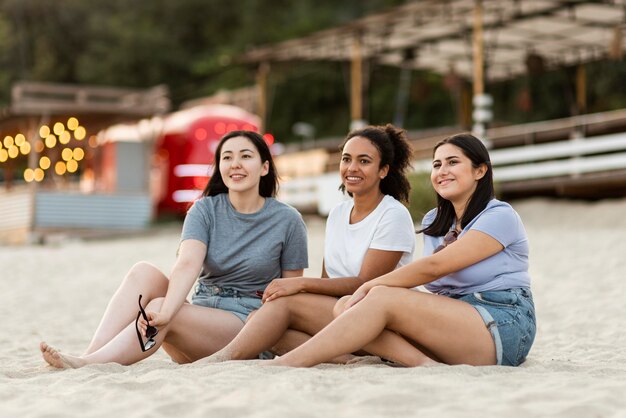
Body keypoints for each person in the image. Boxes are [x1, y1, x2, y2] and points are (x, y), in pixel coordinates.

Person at [264, 132, 536, 368]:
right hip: (454, 321)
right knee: (350, 306)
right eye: (437, 164)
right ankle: (421, 364)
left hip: (502, 323)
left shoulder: (499, 216)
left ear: (480, 170)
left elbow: (434, 268)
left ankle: (292, 362)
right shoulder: (434, 222)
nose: (442, 171)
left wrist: (367, 287)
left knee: (376, 297)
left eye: (453, 163)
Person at [40, 130, 308, 368]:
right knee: (143, 272)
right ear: (219, 167)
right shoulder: (204, 209)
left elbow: (290, 295)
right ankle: (89, 356)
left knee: (161, 307)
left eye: (245, 156)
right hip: (197, 319)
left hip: (245, 326)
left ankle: (88, 363)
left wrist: (166, 312)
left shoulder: (288, 220)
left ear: (264, 167)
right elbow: (188, 264)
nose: (235, 164)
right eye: (227, 157)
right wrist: (168, 310)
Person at [200, 124, 419, 364]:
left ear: (383, 170)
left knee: (282, 305)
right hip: (340, 312)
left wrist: (298, 284)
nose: (352, 168)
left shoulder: (392, 214)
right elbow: (328, 281)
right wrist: (304, 290)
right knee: (261, 321)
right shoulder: (338, 213)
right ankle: (344, 358)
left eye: (364, 161)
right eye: (346, 159)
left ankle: (221, 359)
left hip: (373, 318)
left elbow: (364, 283)